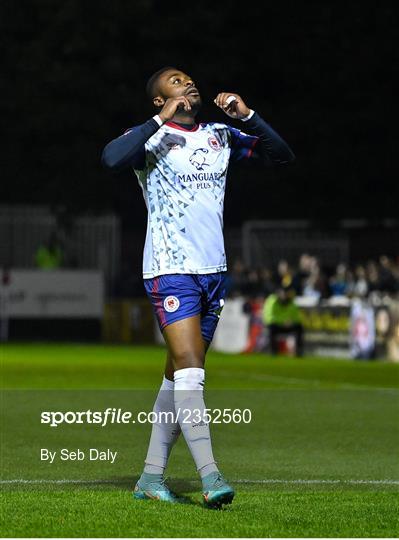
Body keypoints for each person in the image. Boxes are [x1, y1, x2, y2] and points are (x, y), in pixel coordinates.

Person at [102, 66, 295, 507]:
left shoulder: (219, 135)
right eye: (174, 81)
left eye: (187, 79)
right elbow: (111, 160)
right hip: (170, 268)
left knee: (176, 377)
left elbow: (281, 156)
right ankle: (211, 477)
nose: (186, 83)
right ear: (158, 100)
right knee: (191, 370)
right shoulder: (150, 137)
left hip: (213, 271)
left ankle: (150, 478)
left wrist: (249, 117)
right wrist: (159, 119)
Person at [263, 284, 303, 355]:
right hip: (277, 325)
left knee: (299, 327)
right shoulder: (272, 301)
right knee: (271, 328)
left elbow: (297, 318)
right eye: (284, 293)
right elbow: (268, 317)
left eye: (287, 293)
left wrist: (292, 322)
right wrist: (282, 322)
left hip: (288, 326)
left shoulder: (292, 303)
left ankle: (298, 352)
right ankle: (273, 352)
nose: (285, 295)